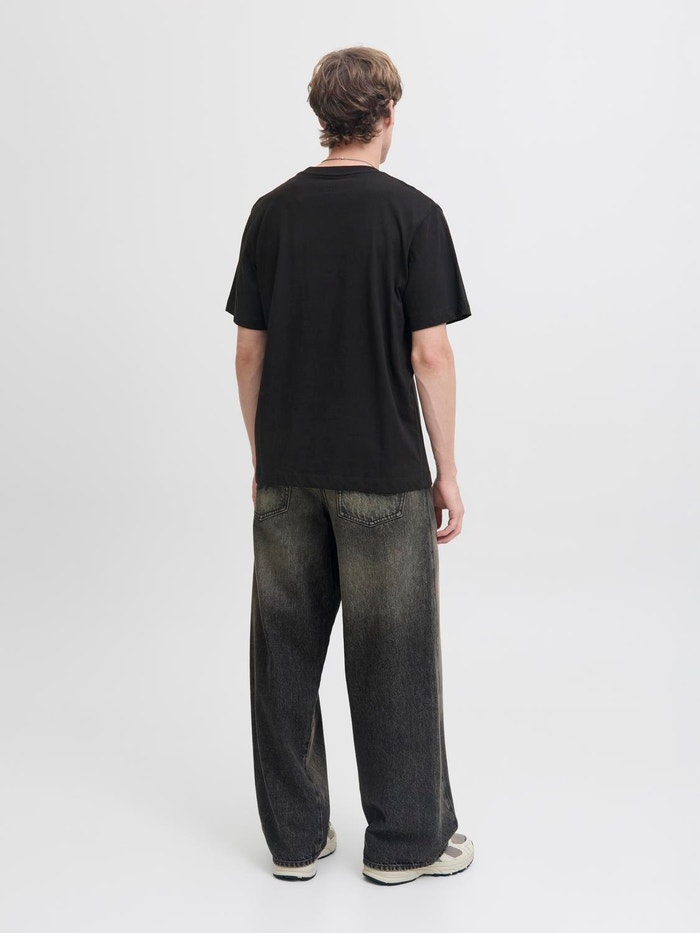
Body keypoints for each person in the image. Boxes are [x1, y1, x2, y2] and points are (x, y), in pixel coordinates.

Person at [224, 46, 475, 885]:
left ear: (323, 116)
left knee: (282, 654)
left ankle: (295, 841)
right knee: (394, 656)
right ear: (387, 114)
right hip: (384, 472)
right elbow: (430, 355)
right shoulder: (413, 215)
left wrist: (264, 456)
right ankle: (406, 845)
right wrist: (446, 469)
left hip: (288, 469)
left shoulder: (270, 214)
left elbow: (249, 353)